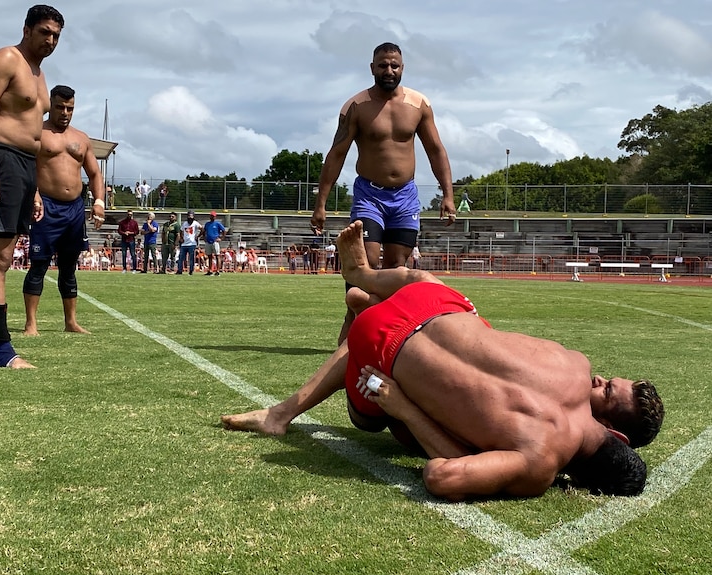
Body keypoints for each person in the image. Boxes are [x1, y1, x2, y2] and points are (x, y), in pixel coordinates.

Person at [223, 221, 664, 500]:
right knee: (379, 416)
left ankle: (364, 288)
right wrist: (407, 408)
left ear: (616, 435)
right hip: (382, 347)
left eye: (608, 390)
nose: (601, 379)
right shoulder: (540, 463)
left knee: (454, 314)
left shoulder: (574, 362)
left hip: (426, 297)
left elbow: (493, 342)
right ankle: (365, 306)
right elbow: (441, 477)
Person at [310, 42, 458, 344]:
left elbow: (435, 150)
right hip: (370, 196)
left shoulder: (419, 105)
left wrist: (448, 194)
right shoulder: (356, 107)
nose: (389, 70)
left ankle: (387, 332)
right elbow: (337, 153)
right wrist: (320, 204)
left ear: (402, 68)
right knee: (368, 263)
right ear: (372, 68)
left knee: (397, 268)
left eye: (395, 66)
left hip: (405, 197)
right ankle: (353, 320)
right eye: (383, 65)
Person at [0, 4, 64, 368]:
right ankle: (3, 351)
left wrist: (36, 187)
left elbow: (32, 133)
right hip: (2, 158)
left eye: (56, 35)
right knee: (0, 258)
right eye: (44, 32)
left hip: (25, 166)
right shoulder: (6, 59)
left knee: (1, 258)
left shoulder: (39, 75)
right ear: (27, 30)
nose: (50, 40)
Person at [22, 84, 105, 336]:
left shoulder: (81, 138)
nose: (65, 112)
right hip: (46, 207)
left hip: (75, 209)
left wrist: (99, 202)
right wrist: (34, 193)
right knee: (39, 265)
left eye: (70, 108)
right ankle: (31, 324)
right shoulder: (37, 132)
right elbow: (26, 168)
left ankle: (71, 322)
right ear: (50, 104)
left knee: (69, 267)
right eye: (60, 107)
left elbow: (94, 173)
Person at [200, 210, 227, 275]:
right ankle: (210, 270)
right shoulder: (207, 224)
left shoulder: (217, 224)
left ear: (215, 217)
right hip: (208, 241)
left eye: (213, 216)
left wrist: (221, 238)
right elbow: (204, 231)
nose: (212, 217)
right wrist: (204, 238)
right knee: (209, 256)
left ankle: (217, 270)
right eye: (211, 216)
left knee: (217, 255)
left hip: (215, 241)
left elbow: (224, 231)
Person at [176, 210, 201, 275]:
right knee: (181, 257)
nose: (190, 218)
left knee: (191, 258)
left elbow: (202, 229)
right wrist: (181, 238)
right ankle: (179, 270)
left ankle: (191, 271)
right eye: (189, 216)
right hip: (184, 243)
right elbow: (181, 231)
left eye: (191, 216)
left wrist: (198, 236)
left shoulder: (195, 223)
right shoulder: (185, 223)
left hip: (192, 243)